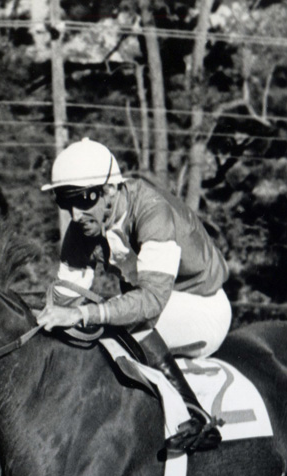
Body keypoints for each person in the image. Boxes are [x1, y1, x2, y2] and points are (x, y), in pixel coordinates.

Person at [34, 137, 232, 453]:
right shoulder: (82, 227)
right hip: (160, 307)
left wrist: (85, 314)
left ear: (110, 189)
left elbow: (151, 300)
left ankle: (196, 416)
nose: (74, 215)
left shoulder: (153, 212)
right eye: (64, 202)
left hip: (203, 307)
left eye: (82, 200)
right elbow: (65, 297)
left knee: (115, 321)